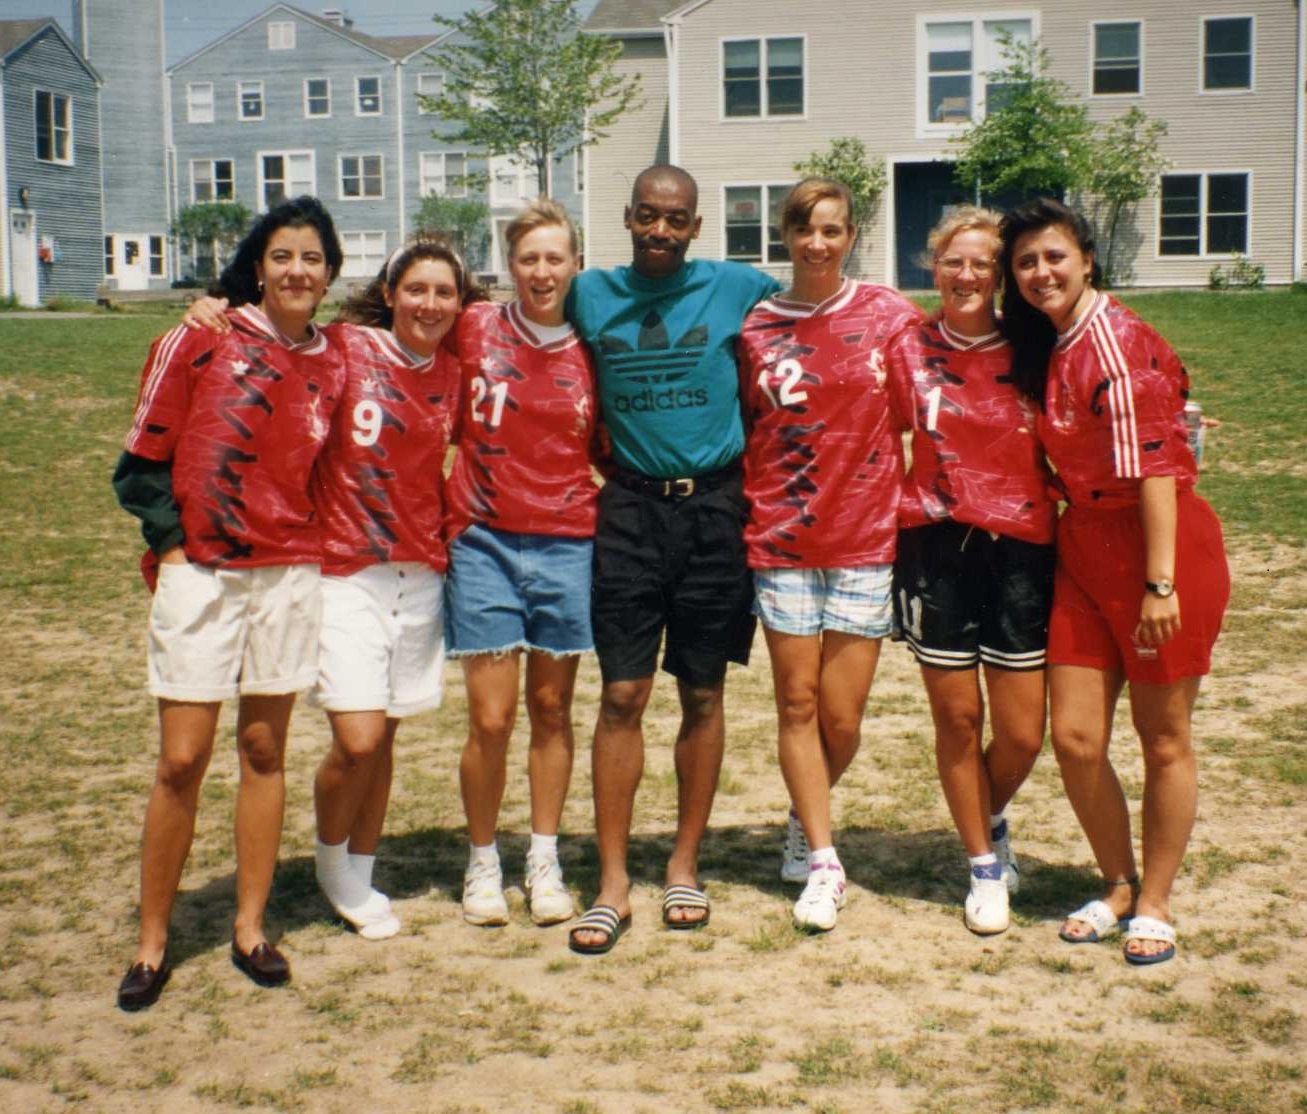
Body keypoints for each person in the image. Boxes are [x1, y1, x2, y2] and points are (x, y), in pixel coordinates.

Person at [112, 196, 347, 1009]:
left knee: (262, 750)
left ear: (329, 275)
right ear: (258, 264)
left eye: (312, 259)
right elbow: (140, 459)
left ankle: (250, 928)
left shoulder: (334, 359)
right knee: (182, 759)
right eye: (283, 255)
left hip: (288, 573)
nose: (297, 270)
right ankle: (152, 942)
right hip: (203, 573)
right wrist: (174, 544)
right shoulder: (203, 336)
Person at [998, 198, 1229, 965]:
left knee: (1162, 739)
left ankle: (1155, 901)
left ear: (1086, 257)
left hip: (1156, 546)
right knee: (1073, 736)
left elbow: (1159, 466)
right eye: (1025, 262)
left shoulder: (1115, 341)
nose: (1039, 273)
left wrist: (1159, 586)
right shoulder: (1056, 341)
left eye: (1052, 256)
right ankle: (1116, 880)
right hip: (1084, 546)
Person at [565, 165, 780, 954]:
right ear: (627, 217)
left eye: (676, 219)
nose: (660, 230)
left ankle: (684, 864)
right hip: (628, 509)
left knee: (702, 692)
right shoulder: (589, 293)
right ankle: (613, 881)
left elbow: (823, 310)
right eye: (648, 216)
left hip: (716, 511)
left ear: (696, 227)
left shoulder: (737, 286)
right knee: (621, 693)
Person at [738, 178, 924, 932]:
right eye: (805, 228)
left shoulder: (887, 315)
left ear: (851, 236)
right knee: (796, 703)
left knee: (841, 717)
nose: (818, 242)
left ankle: (800, 807)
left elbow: (953, 380)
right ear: (784, 234)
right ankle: (822, 857)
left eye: (833, 229)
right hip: (780, 539)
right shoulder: (752, 325)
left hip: (864, 537)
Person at [886, 207, 1056, 935]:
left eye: (982, 263)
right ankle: (983, 865)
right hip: (936, 544)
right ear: (933, 266)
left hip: (1022, 547)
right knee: (957, 719)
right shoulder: (907, 346)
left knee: (1022, 733)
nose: (965, 275)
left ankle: (983, 814)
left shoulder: (1035, 345)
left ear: (1000, 275)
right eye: (953, 261)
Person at [308, 238, 479, 940]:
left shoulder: (453, 375)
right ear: (390, 291)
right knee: (356, 735)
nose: (429, 304)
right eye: (417, 289)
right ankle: (329, 860)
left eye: (444, 292)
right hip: (346, 568)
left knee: (386, 737)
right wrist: (211, 309)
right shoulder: (344, 348)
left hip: (421, 570)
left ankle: (361, 865)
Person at [443, 199, 598, 928]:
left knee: (550, 709)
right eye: (528, 258)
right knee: (491, 716)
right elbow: (383, 332)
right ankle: (482, 859)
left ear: (575, 264)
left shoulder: (593, 344)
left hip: (568, 541)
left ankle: (543, 856)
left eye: (554, 257)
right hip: (483, 541)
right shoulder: (474, 328)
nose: (542, 271)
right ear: (510, 266)